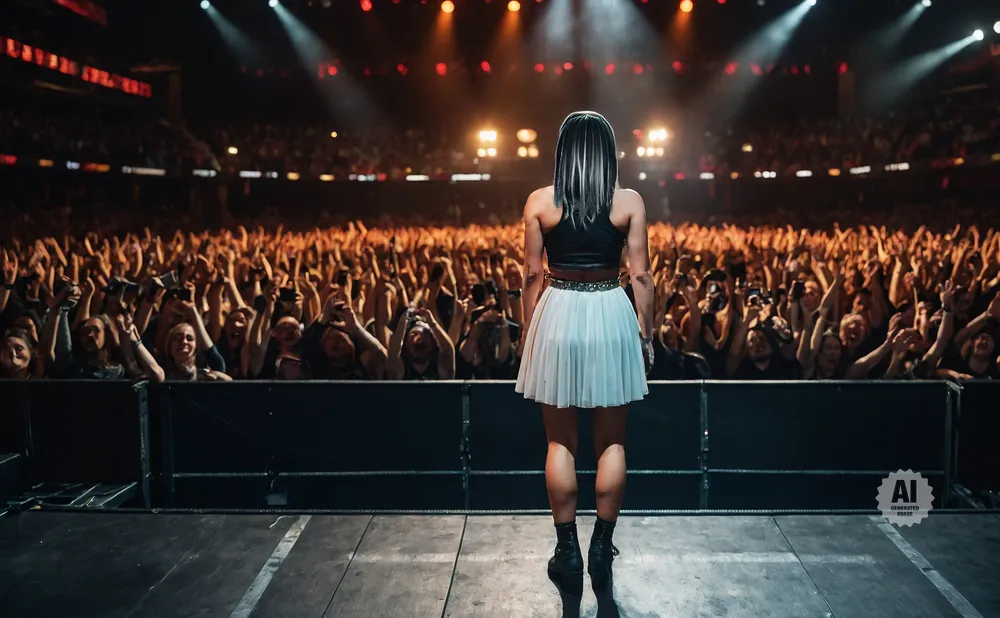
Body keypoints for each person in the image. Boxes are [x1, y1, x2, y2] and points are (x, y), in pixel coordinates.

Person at [515, 111, 653, 597]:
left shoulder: (539, 202)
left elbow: (531, 278)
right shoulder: (629, 201)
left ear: (563, 151)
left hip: (558, 309)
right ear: (607, 151)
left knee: (560, 443)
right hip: (612, 310)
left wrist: (531, 331)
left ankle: (567, 549)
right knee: (612, 442)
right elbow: (640, 277)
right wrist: (647, 332)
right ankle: (602, 545)